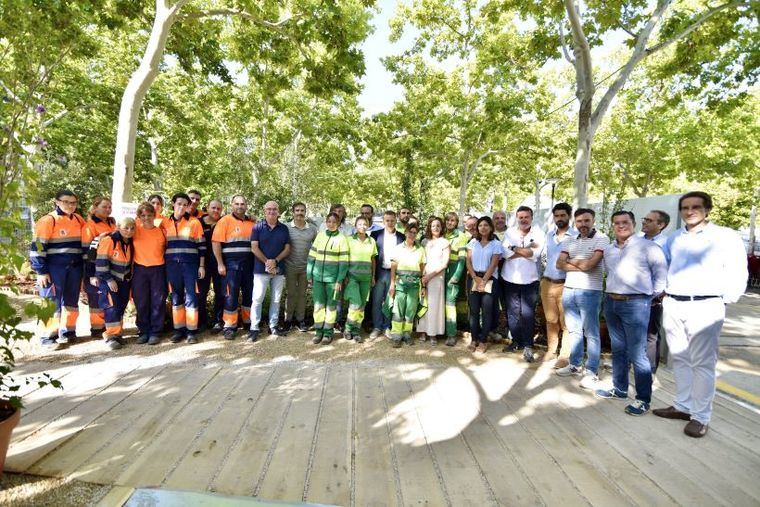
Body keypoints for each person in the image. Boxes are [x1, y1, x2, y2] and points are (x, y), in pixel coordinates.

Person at [653, 191, 747, 438]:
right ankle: (683, 406)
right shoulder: (674, 238)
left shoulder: (724, 237)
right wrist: (665, 295)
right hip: (674, 303)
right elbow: (666, 267)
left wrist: (725, 299)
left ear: (708, 209)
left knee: (703, 363)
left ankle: (701, 416)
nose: (690, 211)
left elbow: (738, 271)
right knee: (680, 359)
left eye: (696, 206)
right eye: (685, 207)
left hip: (706, 305)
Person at [595, 211, 667, 416]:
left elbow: (661, 278)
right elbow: (610, 273)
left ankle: (643, 399)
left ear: (634, 224)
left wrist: (647, 298)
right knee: (618, 349)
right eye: (616, 223)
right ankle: (619, 389)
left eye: (625, 222)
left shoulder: (649, 247)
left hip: (636, 303)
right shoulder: (609, 250)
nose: (621, 226)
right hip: (611, 302)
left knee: (638, 353)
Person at [555, 208, 610, 389]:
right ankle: (575, 365)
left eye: (587, 221)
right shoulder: (569, 239)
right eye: (579, 221)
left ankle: (592, 371)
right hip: (569, 290)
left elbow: (591, 265)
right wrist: (582, 264)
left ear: (593, 221)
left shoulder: (602, 239)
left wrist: (572, 262)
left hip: (590, 291)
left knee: (591, 333)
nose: (583, 224)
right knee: (574, 331)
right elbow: (558, 264)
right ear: (575, 222)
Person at [30, 189, 85, 350]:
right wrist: (40, 270)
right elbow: (37, 247)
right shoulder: (48, 220)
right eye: (67, 202)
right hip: (54, 268)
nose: (70, 205)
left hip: (74, 267)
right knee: (51, 302)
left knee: (71, 301)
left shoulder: (78, 219)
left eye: (73, 202)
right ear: (57, 202)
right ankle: (48, 336)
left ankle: (68, 332)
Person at [501, 206, 545, 362]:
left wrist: (513, 249)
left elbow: (534, 255)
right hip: (509, 278)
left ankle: (528, 345)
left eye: (526, 217)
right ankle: (516, 342)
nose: (523, 220)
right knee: (513, 313)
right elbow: (505, 254)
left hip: (530, 280)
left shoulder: (539, 233)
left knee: (527, 314)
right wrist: (523, 250)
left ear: (531, 218)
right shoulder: (510, 233)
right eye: (520, 217)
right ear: (516, 218)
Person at [212, 195, 255, 340]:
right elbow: (216, 242)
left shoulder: (252, 222)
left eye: (242, 203)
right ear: (232, 205)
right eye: (237, 203)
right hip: (231, 265)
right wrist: (220, 263)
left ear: (246, 205)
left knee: (249, 294)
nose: (240, 206)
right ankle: (230, 326)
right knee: (231, 295)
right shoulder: (224, 221)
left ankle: (249, 323)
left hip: (249, 265)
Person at [165, 192, 205, 344]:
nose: (182, 207)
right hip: (172, 266)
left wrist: (201, 266)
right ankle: (178, 329)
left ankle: (191, 331)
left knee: (191, 297)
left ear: (188, 207)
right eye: (179, 203)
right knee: (176, 297)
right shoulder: (164, 223)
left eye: (185, 204)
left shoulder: (195, 223)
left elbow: (202, 246)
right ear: (173, 204)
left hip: (190, 265)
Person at [540, 203, 577, 367]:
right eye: (557, 216)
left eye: (563, 215)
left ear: (569, 216)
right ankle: (551, 350)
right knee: (550, 319)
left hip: (566, 284)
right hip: (547, 283)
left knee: (566, 322)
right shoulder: (549, 235)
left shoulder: (576, 236)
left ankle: (564, 356)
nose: (560, 219)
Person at [249, 201, 291, 341]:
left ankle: (273, 326)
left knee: (276, 299)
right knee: (257, 299)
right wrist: (267, 262)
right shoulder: (257, 227)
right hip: (261, 270)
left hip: (278, 270)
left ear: (278, 211)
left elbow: (287, 248)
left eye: (274, 209)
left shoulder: (284, 228)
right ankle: (254, 328)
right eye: (269, 209)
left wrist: (275, 261)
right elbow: (254, 247)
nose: (272, 211)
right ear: (264, 210)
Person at [307, 212, 349, 344]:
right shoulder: (320, 236)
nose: (331, 224)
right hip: (318, 277)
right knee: (318, 306)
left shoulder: (342, 239)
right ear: (325, 222)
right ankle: (318, 332)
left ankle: (328, 333)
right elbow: (312, 256)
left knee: (331, 307)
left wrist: (339, 280)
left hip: (333, 280)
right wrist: (309, 274)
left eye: (334, 222)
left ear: (338, 224)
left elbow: (344, 262)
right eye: (329, 222)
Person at [95, 217, 135, 350]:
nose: (129, 231)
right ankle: (111, 337)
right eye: (126, 228)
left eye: (132, 228)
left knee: (120, 307)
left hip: (124, 281)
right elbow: (101, 263)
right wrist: (109, 279)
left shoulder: (130, 242)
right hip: (110, 281)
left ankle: (118, 334)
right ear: (118, 227)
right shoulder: (109, 240)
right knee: (111, 307)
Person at [639, 209, 671, 373]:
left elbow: (671, 270)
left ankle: (650, 371)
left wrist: (661, 293)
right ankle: (634, 364)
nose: (644, 222)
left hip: (654, 297)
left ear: (661, 225)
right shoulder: (636, 240)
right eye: (644, 219)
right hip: (634, 296)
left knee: (651, 335)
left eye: (649, 220)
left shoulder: (667, 244)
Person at [465, 217, 502, 353]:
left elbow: (494, 264)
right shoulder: (472, 243)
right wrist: (475, 278)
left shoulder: (496, 244)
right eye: (480, 225)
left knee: (487, 311)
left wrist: (484, 280)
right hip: (474, 278)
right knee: (474, 311)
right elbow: (468, 261)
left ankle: (483, 340)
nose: (483, 228)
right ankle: (474, 339)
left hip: (490, 279)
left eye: (486, 225)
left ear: (491, 227)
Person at [132, 203, 167, 345]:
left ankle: (156, 331)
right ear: (139, 217)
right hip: (140, 269)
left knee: (158, 301)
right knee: (141, 301)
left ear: (154, 215)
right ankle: (143, 331)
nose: (146, 218)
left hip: (158, 269)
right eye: (143, 215)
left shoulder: (161, 231)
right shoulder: (134, 230)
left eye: (149, 215)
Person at [82, 196, 116, 338]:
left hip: (111, 267)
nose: (108, 209)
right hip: (95, 269)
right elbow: (87, 252)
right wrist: (91, 275)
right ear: (95, 208)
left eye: (109, 207)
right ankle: (97, 329)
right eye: (104, 207)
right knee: (96, 300)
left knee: (108, 298)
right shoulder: (90, 226)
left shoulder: (112, 223)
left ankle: (109, 326)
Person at [389, 222, 426, 347]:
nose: (412, 234)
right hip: (400, 283)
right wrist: (392, 284)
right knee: (398, 310)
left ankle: (407, 335)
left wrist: (423, 286)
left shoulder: (421, 249)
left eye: (415, 233)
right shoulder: (398, 248)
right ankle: (396, 336)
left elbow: (422, 268)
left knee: (410, 311)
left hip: (414, 285)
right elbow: (393, 267)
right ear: (405, 233)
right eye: (410, 232)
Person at [370, 211, 405, 339]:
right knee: (377, 301)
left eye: (392, 220)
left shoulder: (401, 237)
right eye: (387, 220)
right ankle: (377, 326)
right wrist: (372, 275)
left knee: (390, 301)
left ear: (396, 221)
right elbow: (372, 256)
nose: (390, 223)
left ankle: (387, 327)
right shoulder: (375, 235)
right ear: (383, 221)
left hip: (394, 273)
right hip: (380, 272)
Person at [284, 202, 318, 333]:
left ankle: (300, 320)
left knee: (302, 295)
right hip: (290, 266)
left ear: (305, 212)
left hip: (306, 267)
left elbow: (317, 246)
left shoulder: (312, 229)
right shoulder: (286, 227)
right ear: (293, 212)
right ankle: (288, 320)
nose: (299, 213)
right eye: (297, 210)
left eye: (302, 210)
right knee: (291, 294)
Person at [417, 217, 450, 345]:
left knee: (435, 305)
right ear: (429, 227)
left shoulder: (445, 242)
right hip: (424, 276)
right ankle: (423, 331)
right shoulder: (424, 242)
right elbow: (421, 260)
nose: (435, 228)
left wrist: (430, 276)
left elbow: (444, 264)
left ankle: (433, 333)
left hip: (437, 276)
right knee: (423, 303)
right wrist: (422, 276)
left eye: (438, 226)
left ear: (441, 227)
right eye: (432, 226)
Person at [345, 216, 377, 342]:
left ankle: (356, 330)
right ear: (355, 226)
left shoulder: (372, 241)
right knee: (355, 304)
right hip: (352, 277)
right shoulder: (349, 240)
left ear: (368, 226)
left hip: (366, 278)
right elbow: (344, 259)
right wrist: (345, 276)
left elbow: (373, 260)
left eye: (365, 224)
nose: (362, 226)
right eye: (360, 224)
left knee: (362, 306)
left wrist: (373, 276)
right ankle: (348, 328)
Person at [197, 199, 224, 331]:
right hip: (202, 264)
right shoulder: (198, 222)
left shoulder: (224, 221)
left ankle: (218, 321)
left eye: (218, 208)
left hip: (220, 263)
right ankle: (202, 321)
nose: (216, 211)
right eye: (213, 208)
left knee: (220, 292)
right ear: (207, 208)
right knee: (201, 293)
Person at [442, 212, 467, 346]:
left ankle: (451, 334)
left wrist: (457, 276)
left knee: (450, 304)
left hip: (453, 270)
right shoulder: (442, 234)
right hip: (440, 271)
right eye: (448, 220)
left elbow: (462, 259)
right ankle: (441, 331)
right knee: (440, 303)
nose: (450, 222)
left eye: (453, 220)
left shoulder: (461, 236)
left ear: (456, 223)